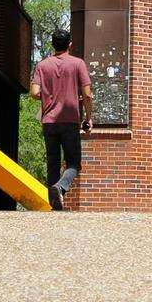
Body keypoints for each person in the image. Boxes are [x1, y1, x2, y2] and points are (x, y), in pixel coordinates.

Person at [29, 28, 91, 209]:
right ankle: (61, 187)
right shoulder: (78, 64)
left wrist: (49, 95)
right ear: (70, 44)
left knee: (53, 164)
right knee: (74, 164)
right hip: (70, 121)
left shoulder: (42, 65)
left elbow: (34, 93)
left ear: (52, 45)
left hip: (49, 121)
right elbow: (87, 94)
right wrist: (89, 117)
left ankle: (55, 205)